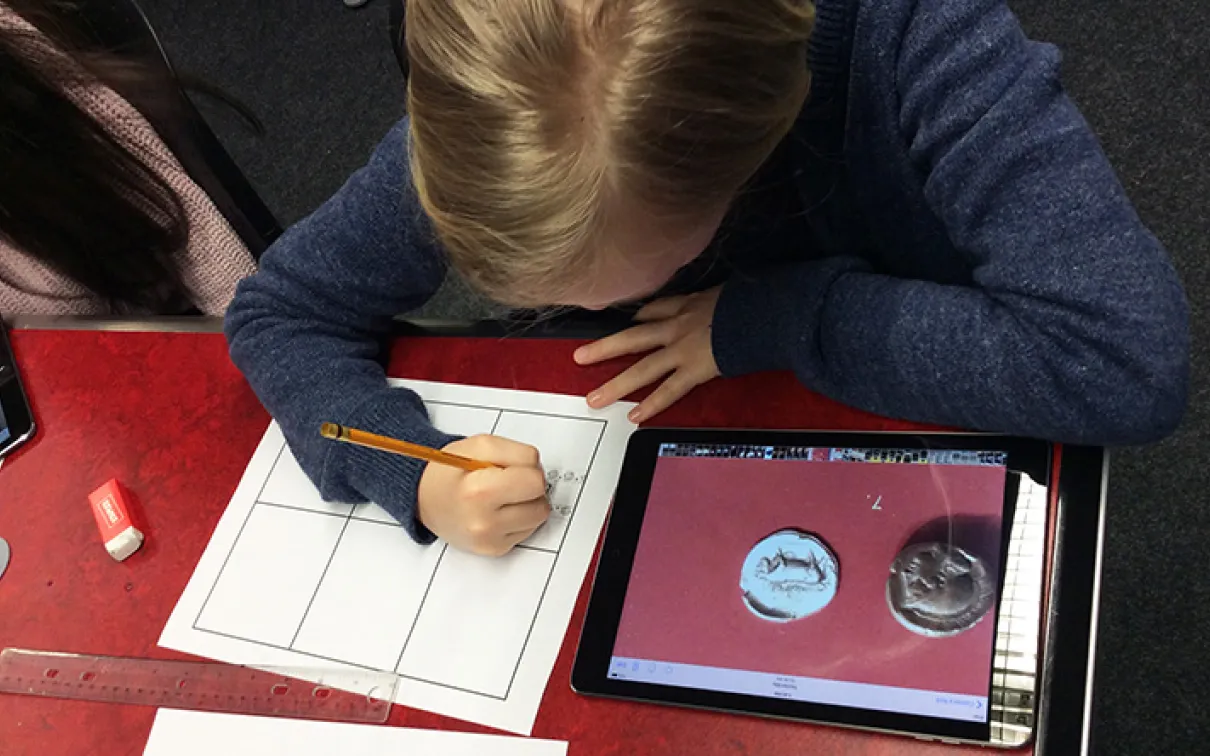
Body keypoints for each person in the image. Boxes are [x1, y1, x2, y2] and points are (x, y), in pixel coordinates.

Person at [226, 0, 1190, 557]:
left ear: (746, 157)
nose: (583, 311)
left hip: (906, 427)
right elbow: (278, 311)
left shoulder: (921, 38)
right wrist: (414, 473)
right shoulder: (496, 121)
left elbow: (1123, 361)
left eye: (622, 273)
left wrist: (767, 316)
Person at [0, 0, 256, 317]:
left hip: (156, 320)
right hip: (78, 355)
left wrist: (258, 337)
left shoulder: (18, 56)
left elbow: (186, 225)